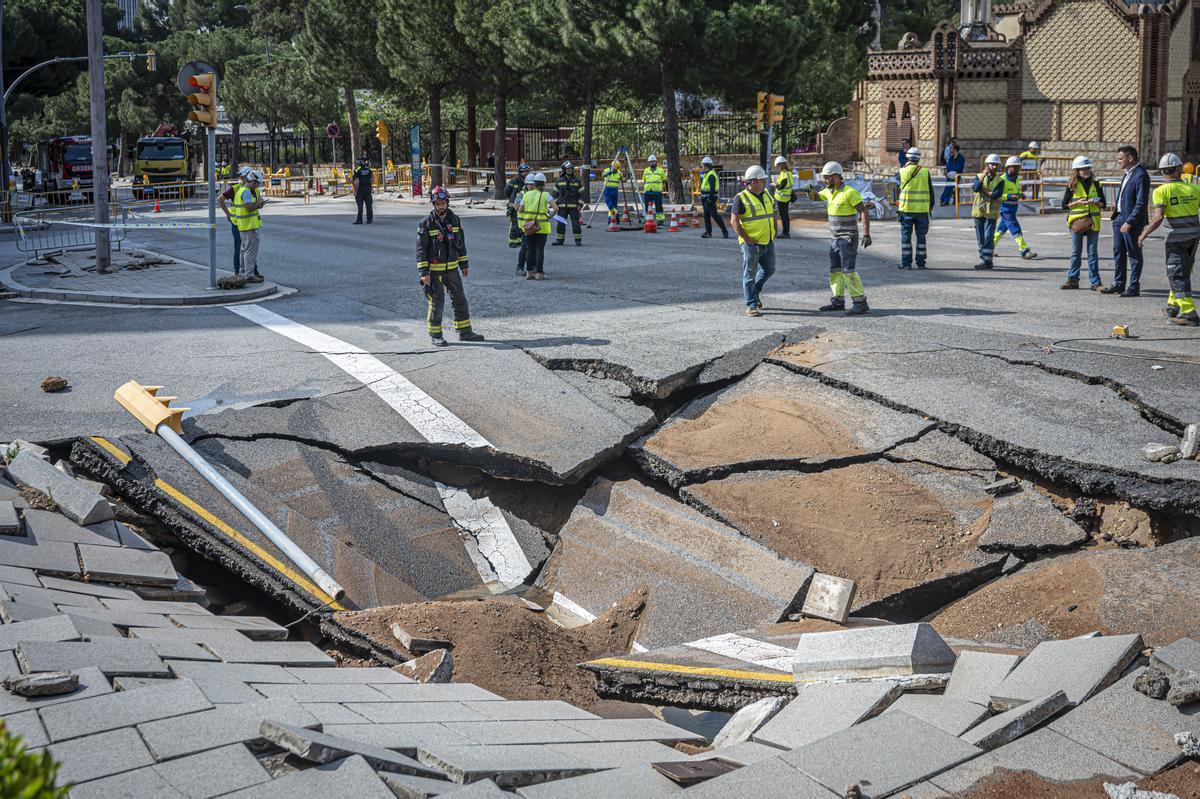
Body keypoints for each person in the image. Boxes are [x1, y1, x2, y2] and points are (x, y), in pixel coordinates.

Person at [417, 185, 484, 346]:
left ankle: (465, 332)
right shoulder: (426, 223)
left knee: (460, 299)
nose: (441, 206)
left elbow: (460, 244)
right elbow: (421, 250)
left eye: (443, 203)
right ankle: (436, 334)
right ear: (433, 204)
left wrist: (464, 264)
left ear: (447, 202)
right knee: (437, 302)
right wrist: (424, 272)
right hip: (433, 272)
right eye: (438, 203)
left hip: (452, 269)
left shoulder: (454, 220)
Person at [1139, 153, 1200, 326]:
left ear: (1162, 171)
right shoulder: (1194, 189)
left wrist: (1143, 234)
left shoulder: (1161, 191)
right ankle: (1173, 306)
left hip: (1175, 240)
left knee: (1176, 274)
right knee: (1183, 270)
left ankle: (1189, 313)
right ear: (1179, 169)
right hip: (1194, 238)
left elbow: (1158, 218)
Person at [808, 161, 872, 315]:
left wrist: (867, 234)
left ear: (836, 177)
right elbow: (815, 197)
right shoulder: (828, 192)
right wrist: (808, 191)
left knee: (848, 271)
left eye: (827, 177)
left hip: (848, 238)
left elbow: (863, 211)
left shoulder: (849, 192)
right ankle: (837, 301)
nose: (825, 180)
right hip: (835, 239)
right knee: (835, 271)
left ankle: (860, 302)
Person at [730, 165, 779, 317]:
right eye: (762, 180)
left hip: (768, 241)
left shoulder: (767, 195)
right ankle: (751, 304)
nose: (765, 182)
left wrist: (775, 230)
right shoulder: (741, 198)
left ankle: (755, 292)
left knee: (769, 269)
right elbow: (734, 221)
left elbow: (773, 214)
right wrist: (746, 239)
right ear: (753, 182)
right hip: (751, 244)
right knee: (749, 274)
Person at [1104, 145, 1150, 296]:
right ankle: (1119, 283)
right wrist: (1118, 217)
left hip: (1131, 221)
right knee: (1118, 252)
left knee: (1134, 253)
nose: (1118, 161)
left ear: (1130, 158)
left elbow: (1141, 203)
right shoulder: (1128, 173)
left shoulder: (1140, 175)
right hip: (1119, 218)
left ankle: (1134, 286)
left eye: (1120, 158)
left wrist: (1130, 221)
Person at [1060, 155, 1106, 290]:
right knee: (1076, 252)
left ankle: (1096, 282)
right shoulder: (1072, 186)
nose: (1086, 171)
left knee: (1092, 253)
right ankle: (1073, 280)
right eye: (1082, 169)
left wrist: (1097, 202)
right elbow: (1064, 205)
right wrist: (1077, 203)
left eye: (1087, 168)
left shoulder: (1097, 184)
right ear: (1077, 171)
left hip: (1093, 222)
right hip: (1077, 223)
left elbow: (1103, 204)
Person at [993, 156, 1037, 260]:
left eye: (1018, 167)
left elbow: (1016, 191)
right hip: (1005, 209)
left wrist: (1020, 194)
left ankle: (989, 247)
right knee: (1015, 228)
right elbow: (997, 195)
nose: (1017, 170)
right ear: (1008, 167)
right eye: (1015, 167)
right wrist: (1008, 196)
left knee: (1000, 230)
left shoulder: (1016, 179)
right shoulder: (1001, 180)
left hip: (1013, 209)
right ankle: (1024, 250)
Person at [896, 146, 933, 269]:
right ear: (918, 159)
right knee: (921, 237)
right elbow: (931, 192)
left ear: (907, 158)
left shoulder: (902, 171)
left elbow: (897, 189)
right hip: (922, 210)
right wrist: (930, 207)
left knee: (906, 236)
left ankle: (906, 263)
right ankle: (921, 263)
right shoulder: (925, 172)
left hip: (906, 209)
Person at [518, 172, 557, 280]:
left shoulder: (527, 194)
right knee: (539, 249)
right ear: (544, 184)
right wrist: (549, 216)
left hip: (529, 226)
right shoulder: (546, 195)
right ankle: (539, 273)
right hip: (541, 227)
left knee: (529, 249)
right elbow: (556, 208)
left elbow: (520, 209)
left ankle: (529, 272)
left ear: (534, 184)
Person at [230, 169, 265, 282]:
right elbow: (249, 208)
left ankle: (242, 272)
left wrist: (257, 204)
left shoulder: (241, 190)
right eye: (257, 183)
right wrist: (258, 204)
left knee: (244, 250)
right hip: (249, 226)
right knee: (250, 251)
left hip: (243, 226)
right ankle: (249, 275)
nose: (258, 186)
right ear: (253, 181)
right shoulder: (246, 192)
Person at [971, 154, 1004, 270]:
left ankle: (988, 262)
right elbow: (975, 188)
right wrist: (983, 176)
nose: (994, 167)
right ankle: (984, 259)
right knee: (981, 239)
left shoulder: (1000, 181)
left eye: (996, 165)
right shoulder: (979, 176)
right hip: (978, 212)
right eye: (992, 164)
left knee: (988, 237)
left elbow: (995, 195)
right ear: (987, 165)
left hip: (991, 213)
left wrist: (983, 189)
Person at [217, 167, 252, 274]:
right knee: (239, 247)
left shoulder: (252, 189)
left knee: (250, 249)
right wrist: (228, 214)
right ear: (242, 178)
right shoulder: (235, 188)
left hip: (249, 223)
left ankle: (253, 270)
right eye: (248, 177)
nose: (250, 179)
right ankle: (237, 271)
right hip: (237, 223)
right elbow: (220, 199)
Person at [552, 161, 584, 246]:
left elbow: (581, 194)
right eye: (568, 169)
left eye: (571, 168)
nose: (569, 170)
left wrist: (580, 205)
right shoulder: (559, 180)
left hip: (574, 207)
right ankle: (559, 240)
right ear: (564, 170)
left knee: (576, 224)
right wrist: (554, 205)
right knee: (560, 224)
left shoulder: (577, 181)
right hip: (562, 207)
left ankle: (578, 240)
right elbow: (554, 194)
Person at [698, 156, 727, 239]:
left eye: (703, 165)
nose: (702, 167)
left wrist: (709, 199)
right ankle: (708, 232)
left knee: (715, 215)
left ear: (706, 165)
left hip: (709, 199)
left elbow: (712, 188)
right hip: (705, 198)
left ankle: (724, 231)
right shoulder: (706, 174)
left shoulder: (711, 175)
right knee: (706, 216)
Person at [504, 162, 530, 248]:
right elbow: (506, 191)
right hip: (513, 206)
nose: (525, 173)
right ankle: (512, 241)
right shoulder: (514, 181)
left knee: (520, 224)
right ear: (520, 172)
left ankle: (518, 240)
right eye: (523, 172)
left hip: (523, 206)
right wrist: (512, 200)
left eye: (526, 171)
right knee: (514, 224)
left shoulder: (528, 181)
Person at [642, 154, 666, 226]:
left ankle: (660, 220)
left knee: (659, 206)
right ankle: (647, 219)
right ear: (649, 163)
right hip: (648, 191)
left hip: (657, 192)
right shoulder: (646, 170)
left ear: (656, 162)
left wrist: (660, 187)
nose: (652, 163)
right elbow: (644, 180)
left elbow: (664, 180)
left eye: (653, 161)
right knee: (647, 207)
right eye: (651, 162)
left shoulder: (660, 170)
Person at [773, 155, 794, 238]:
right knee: (785, 215)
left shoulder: (784, 174)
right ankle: (786, 232)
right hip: (786, 197)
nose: (777, 167)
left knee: (783, 216)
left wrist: (775, 185)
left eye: (778, 165)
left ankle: (785, 233)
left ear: (781, 165)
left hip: (782, 198)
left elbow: (781, 186)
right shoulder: (789, 173)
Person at [352, 154, 373, 224]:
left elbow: (356, 182)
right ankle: (369, 219)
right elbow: (372, 179)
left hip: (360, 189)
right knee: (369, 205)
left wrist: (355, 191)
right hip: (368, 189)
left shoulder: (357, 170)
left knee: (360, 205)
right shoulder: (368, 170)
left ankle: (359, 220)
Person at [601, 159, 622, 229]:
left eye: (616, 169)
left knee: (613, 206)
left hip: (615, 191)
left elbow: (623, 180)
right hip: (607, 190)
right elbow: (602, 176)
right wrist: (607, 173)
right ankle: (617, 215)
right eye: (614, 169)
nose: (615, 170)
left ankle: (611, 220)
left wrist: (628, 177)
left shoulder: (619, 173)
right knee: (610, 205)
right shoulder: (607, 170)